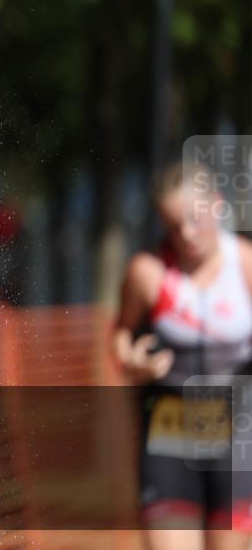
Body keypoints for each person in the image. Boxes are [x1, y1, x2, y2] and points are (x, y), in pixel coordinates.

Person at [113, 163, 252, 550]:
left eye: (194, 219)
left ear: (218, 206)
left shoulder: (244, 263)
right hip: (170, 429)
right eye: (174, 226)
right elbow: (121, 336)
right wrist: (132, 362)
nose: (186, 235)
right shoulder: (148, 272)